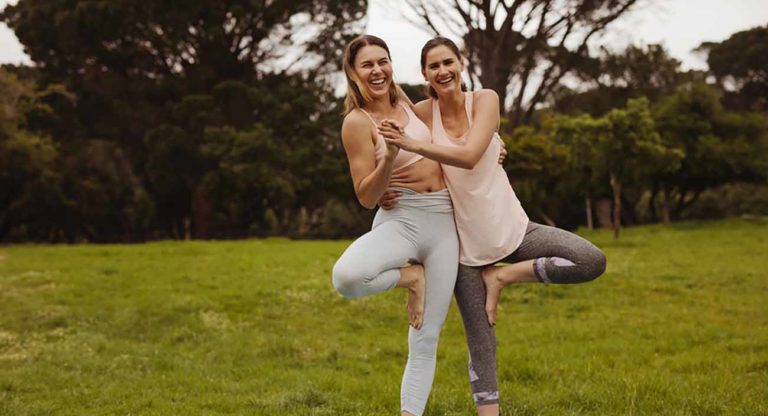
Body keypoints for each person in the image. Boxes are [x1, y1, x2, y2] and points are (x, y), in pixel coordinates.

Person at [378, 37, 607, 416]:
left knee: (590, 260)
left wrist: (494, 143)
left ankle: (502, 278)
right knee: (481, 342)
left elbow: (469, 155)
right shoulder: (420, 114)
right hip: (463, 247)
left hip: (512, 226)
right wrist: (387, 186)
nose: (443, 71)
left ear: (461, 63)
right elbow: (393, 143)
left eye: (448, 62)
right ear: (424, 74)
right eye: (433, 66)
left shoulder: (485, 99)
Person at [330, 34, 459, 416]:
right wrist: (388, 159)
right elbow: (367, 196)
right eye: (367, 64)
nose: (377, 70)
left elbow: (458, 128)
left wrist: (494, 145)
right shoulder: (357, 122)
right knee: (348, 278)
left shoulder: (412, 105)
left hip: (443, 222)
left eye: (382, 61)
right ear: (353, 74)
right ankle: (411, 278)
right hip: (400, 219)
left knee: (425, 337)